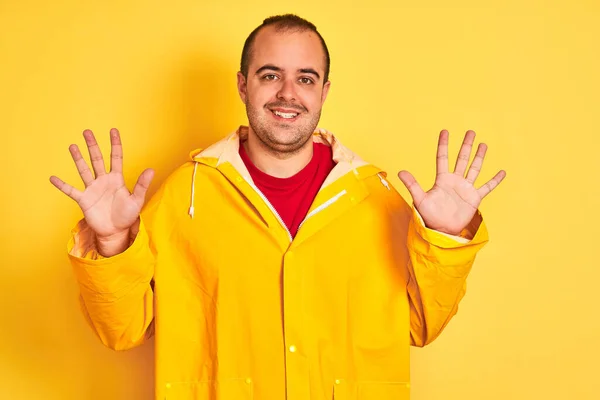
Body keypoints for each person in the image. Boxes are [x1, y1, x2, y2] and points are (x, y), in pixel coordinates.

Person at [50, 14, 505, 400]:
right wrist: (110, 242)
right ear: (243, 85)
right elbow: (122, 330)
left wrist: (444, 242)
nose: (288, 93)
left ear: (324, 91)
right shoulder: (183, 195)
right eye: (270, 75)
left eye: (305, 78)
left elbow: (422, 326)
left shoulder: (375, 198)